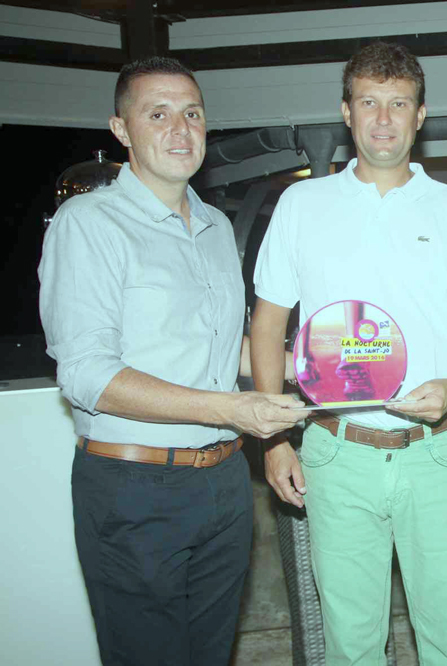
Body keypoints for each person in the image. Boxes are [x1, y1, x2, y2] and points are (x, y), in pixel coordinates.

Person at [37, 56, 304, 666]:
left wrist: (311, 363)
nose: (181, 129)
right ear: (122, 129)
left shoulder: (211, 226)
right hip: (135, 490)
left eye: (192, 113)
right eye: (158, 114)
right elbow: (86, 373)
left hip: (224, 484)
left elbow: (214, 349)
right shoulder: (89, 224)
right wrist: (233, 409)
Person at [250, 41, 447, 665]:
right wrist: (275, 437)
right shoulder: (301, 205)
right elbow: (267, 324)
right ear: (346, 111)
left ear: (421, 116)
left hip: (437, 452)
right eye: (369, 102)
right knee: (351, 643)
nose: (384, 118)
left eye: (399, 103)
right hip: (338, 452)